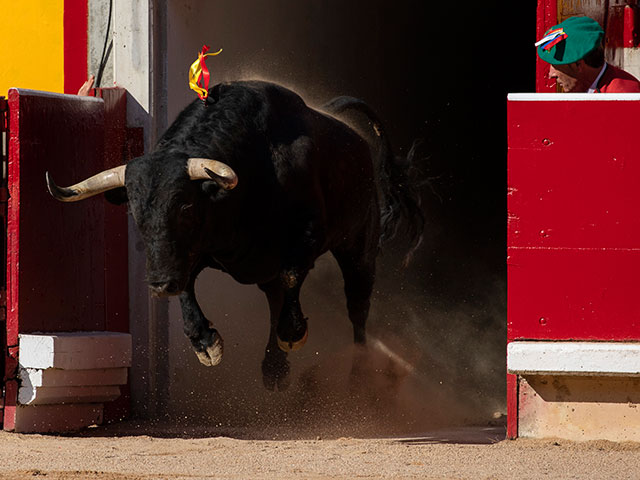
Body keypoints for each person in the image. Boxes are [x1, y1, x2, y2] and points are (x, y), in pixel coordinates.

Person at [536, 16, 640, 93]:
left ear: (578, 65)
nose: (551, 74)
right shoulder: (587, 86)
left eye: (555, 65)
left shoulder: (623, 94)